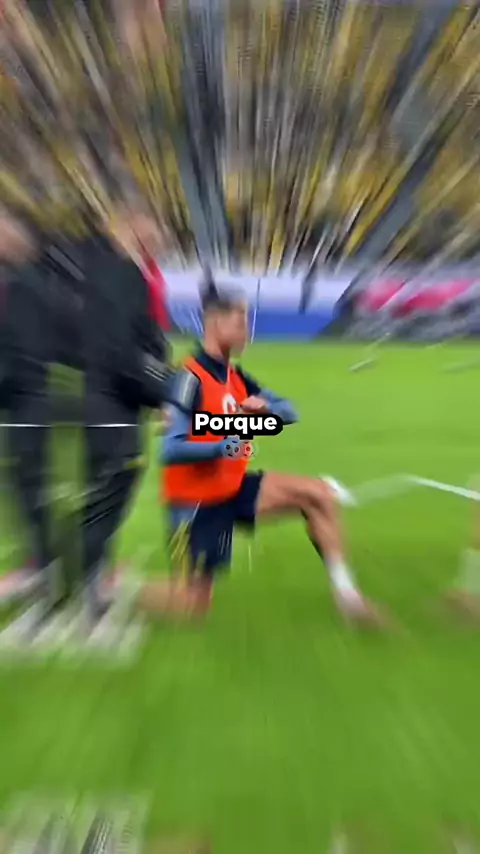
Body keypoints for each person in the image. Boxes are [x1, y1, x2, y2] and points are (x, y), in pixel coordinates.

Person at [142, 282, 382, 625]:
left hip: (231, 488)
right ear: (216, 323)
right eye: (241, 322)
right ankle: (114, 587)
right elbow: (172, 448)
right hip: (195, 503)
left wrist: (266, 409)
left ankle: (349, 599)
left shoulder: (235, 376)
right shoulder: (188, 378)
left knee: (318, 495)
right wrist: (225, 444)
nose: (247, 331)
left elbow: (289, 411)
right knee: (192, 605)